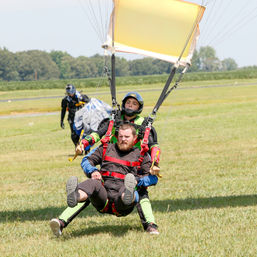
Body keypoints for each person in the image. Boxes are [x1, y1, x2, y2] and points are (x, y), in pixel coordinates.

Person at [52, 92, 161, 235]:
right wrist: (90, 162)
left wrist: (153, 165)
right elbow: (96, 136)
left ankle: (150, 225)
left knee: (137, 190)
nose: (123, 139)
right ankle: (72, 201)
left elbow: (154, 148)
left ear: (135, 138)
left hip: (129, 180)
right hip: (106, 189)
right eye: (128, 103)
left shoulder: (142, 150)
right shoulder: (108, 139)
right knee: (92, 185)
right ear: (116, 135)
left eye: (134, 104)